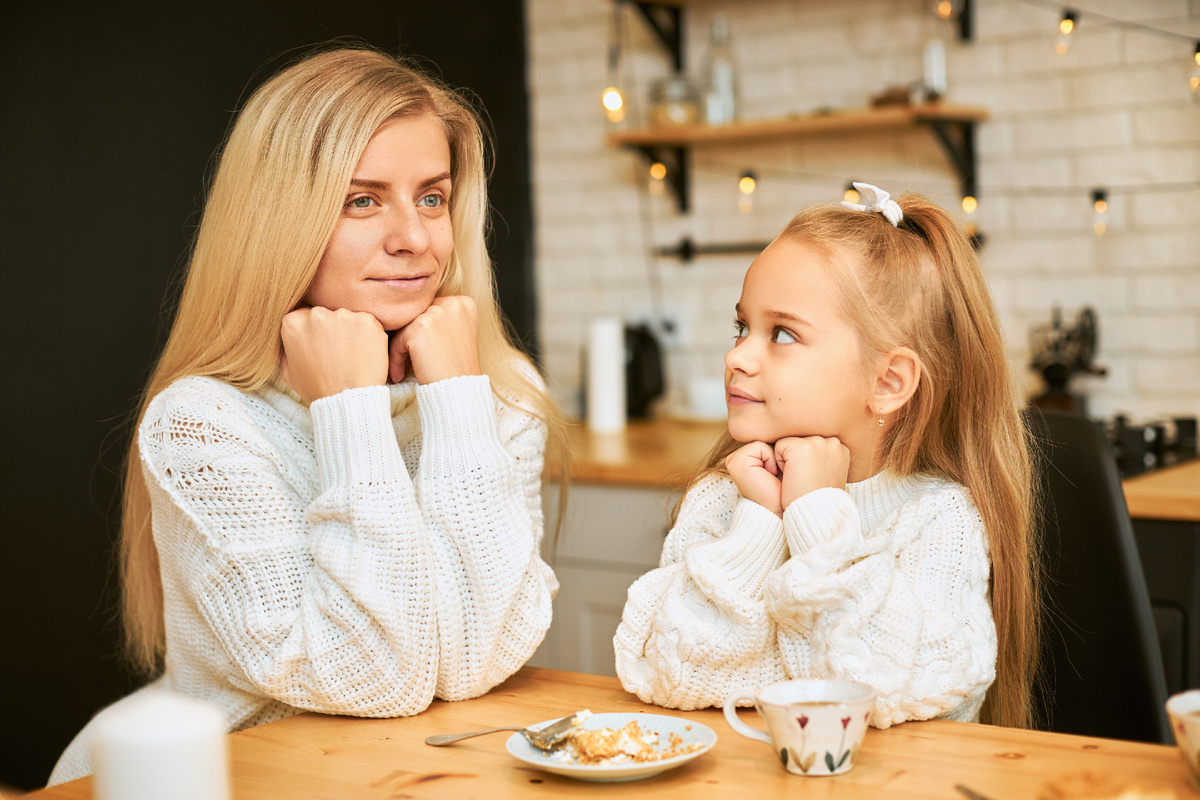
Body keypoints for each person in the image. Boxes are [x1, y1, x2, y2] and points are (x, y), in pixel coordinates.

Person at [48, 46, 566, 785]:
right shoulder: (201, 424)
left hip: (419, 780)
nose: (414, 239)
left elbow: (486, 657)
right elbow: (374, 676)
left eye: (431, 197)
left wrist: (458, 404)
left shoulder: (495, 390)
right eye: (362, 200)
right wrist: (351, 412)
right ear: (279, 220)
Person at [614, 184, 1039, 730]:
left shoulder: (938, 522)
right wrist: (761, 523)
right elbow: (670, 675)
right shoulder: (726, 499)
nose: (737, 356)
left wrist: (816, 512)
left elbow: (879, 691)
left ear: (888, 381)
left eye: (783, 334)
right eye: (743, 326)